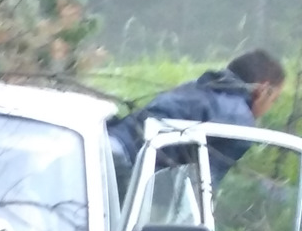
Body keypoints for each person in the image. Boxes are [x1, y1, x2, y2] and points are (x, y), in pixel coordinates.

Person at [109, 49, 287, 186]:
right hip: (124, 163)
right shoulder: (240, 122)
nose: (269, 108)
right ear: (263, 89)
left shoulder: (197, 85)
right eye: (274, 100)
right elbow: (202, 185)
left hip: (109, 141)